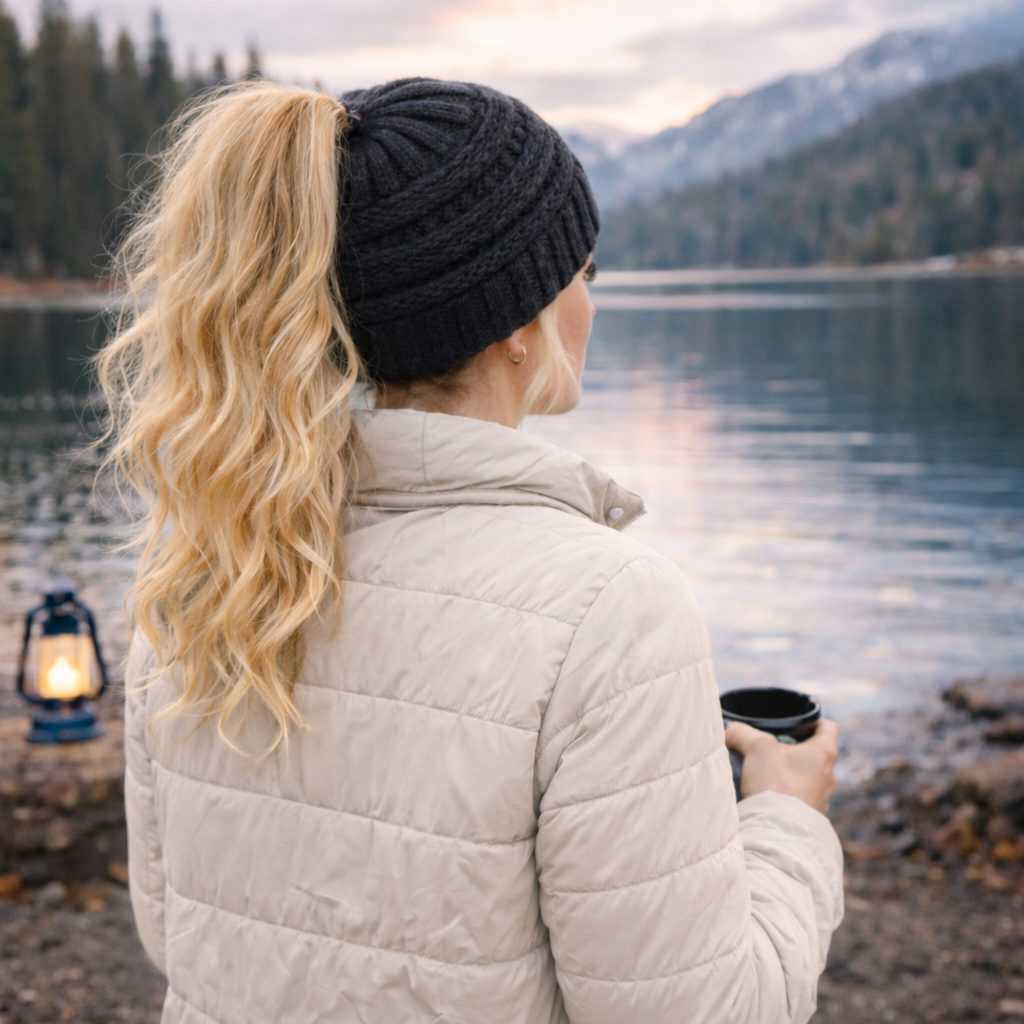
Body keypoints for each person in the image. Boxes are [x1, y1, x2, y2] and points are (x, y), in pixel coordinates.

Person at [101, 78, 843, 1024]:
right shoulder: (609, 610)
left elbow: (183, 935)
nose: (590, 299)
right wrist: (787, 821)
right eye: (584, 271)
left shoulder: (208, 569)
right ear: (517, 329)